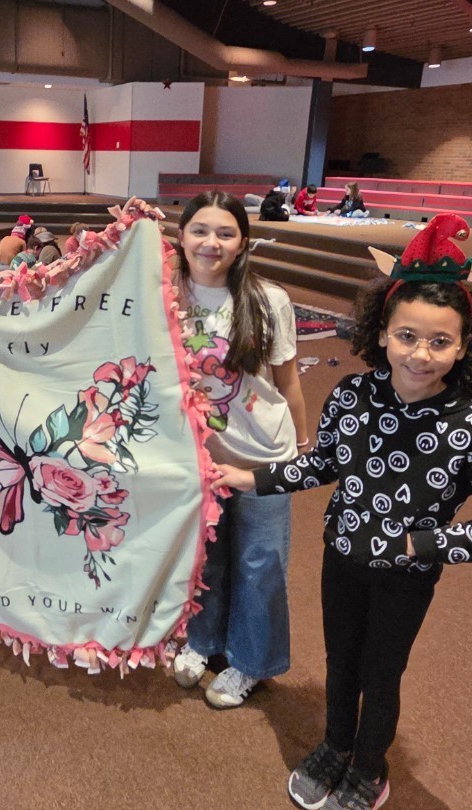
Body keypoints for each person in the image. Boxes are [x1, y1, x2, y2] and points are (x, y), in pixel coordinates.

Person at [212, 214, 472, 810]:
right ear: (381, 332)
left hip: (405, 578)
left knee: (379, 673)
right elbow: (324, 462)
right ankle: (335, 746)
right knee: (340, 662)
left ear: (465, 346)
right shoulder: (353, 397)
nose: (420, 352)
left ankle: (368, 769)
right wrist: (251, 479)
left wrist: (421, 543)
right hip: (341, 559)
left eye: (440, 342)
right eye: (407, 335)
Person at [171, 191, 309, 708]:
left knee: (262, 563)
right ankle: (203, 642)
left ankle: (251, 661)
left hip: (262, 456)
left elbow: (288, 382)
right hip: (197, 459)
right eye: (200, 230)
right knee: (205, 558)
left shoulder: (268, 299)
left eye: (225, 233)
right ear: (181, 237)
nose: (211, 242)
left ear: (243, 242)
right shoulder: (164, 295)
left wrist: (301, 447)